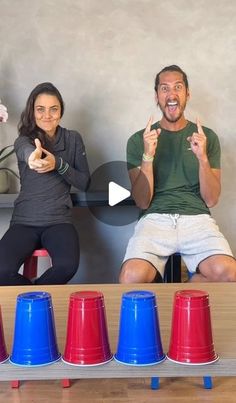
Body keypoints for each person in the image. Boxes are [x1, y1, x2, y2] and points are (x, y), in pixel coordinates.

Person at [119, 65, 236, 283]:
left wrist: (202, 158)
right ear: (157, 96)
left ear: (187, 94)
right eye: (164, 88)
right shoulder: (139, 140)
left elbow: (211, 199)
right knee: (130, 277)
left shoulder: (206, 137)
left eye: (178, 87)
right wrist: (148, 155)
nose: (171, 94)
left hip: (197, 219)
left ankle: (187, 291)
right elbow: (142, 202)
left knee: (229, 273)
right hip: (154, 219)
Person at [0, 82, 90, 285]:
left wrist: (58, 164)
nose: (47, 115)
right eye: (40, 109)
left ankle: (36, 296)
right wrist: (33, 158)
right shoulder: (24, 140)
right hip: (24, 222)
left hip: (59, 221)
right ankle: (34, 297)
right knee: (1, 270)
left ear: (61, 111)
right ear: (32, 112)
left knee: (67, 266)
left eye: (53, 109)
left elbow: (85, 182)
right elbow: (26, 152)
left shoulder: (73, 139)